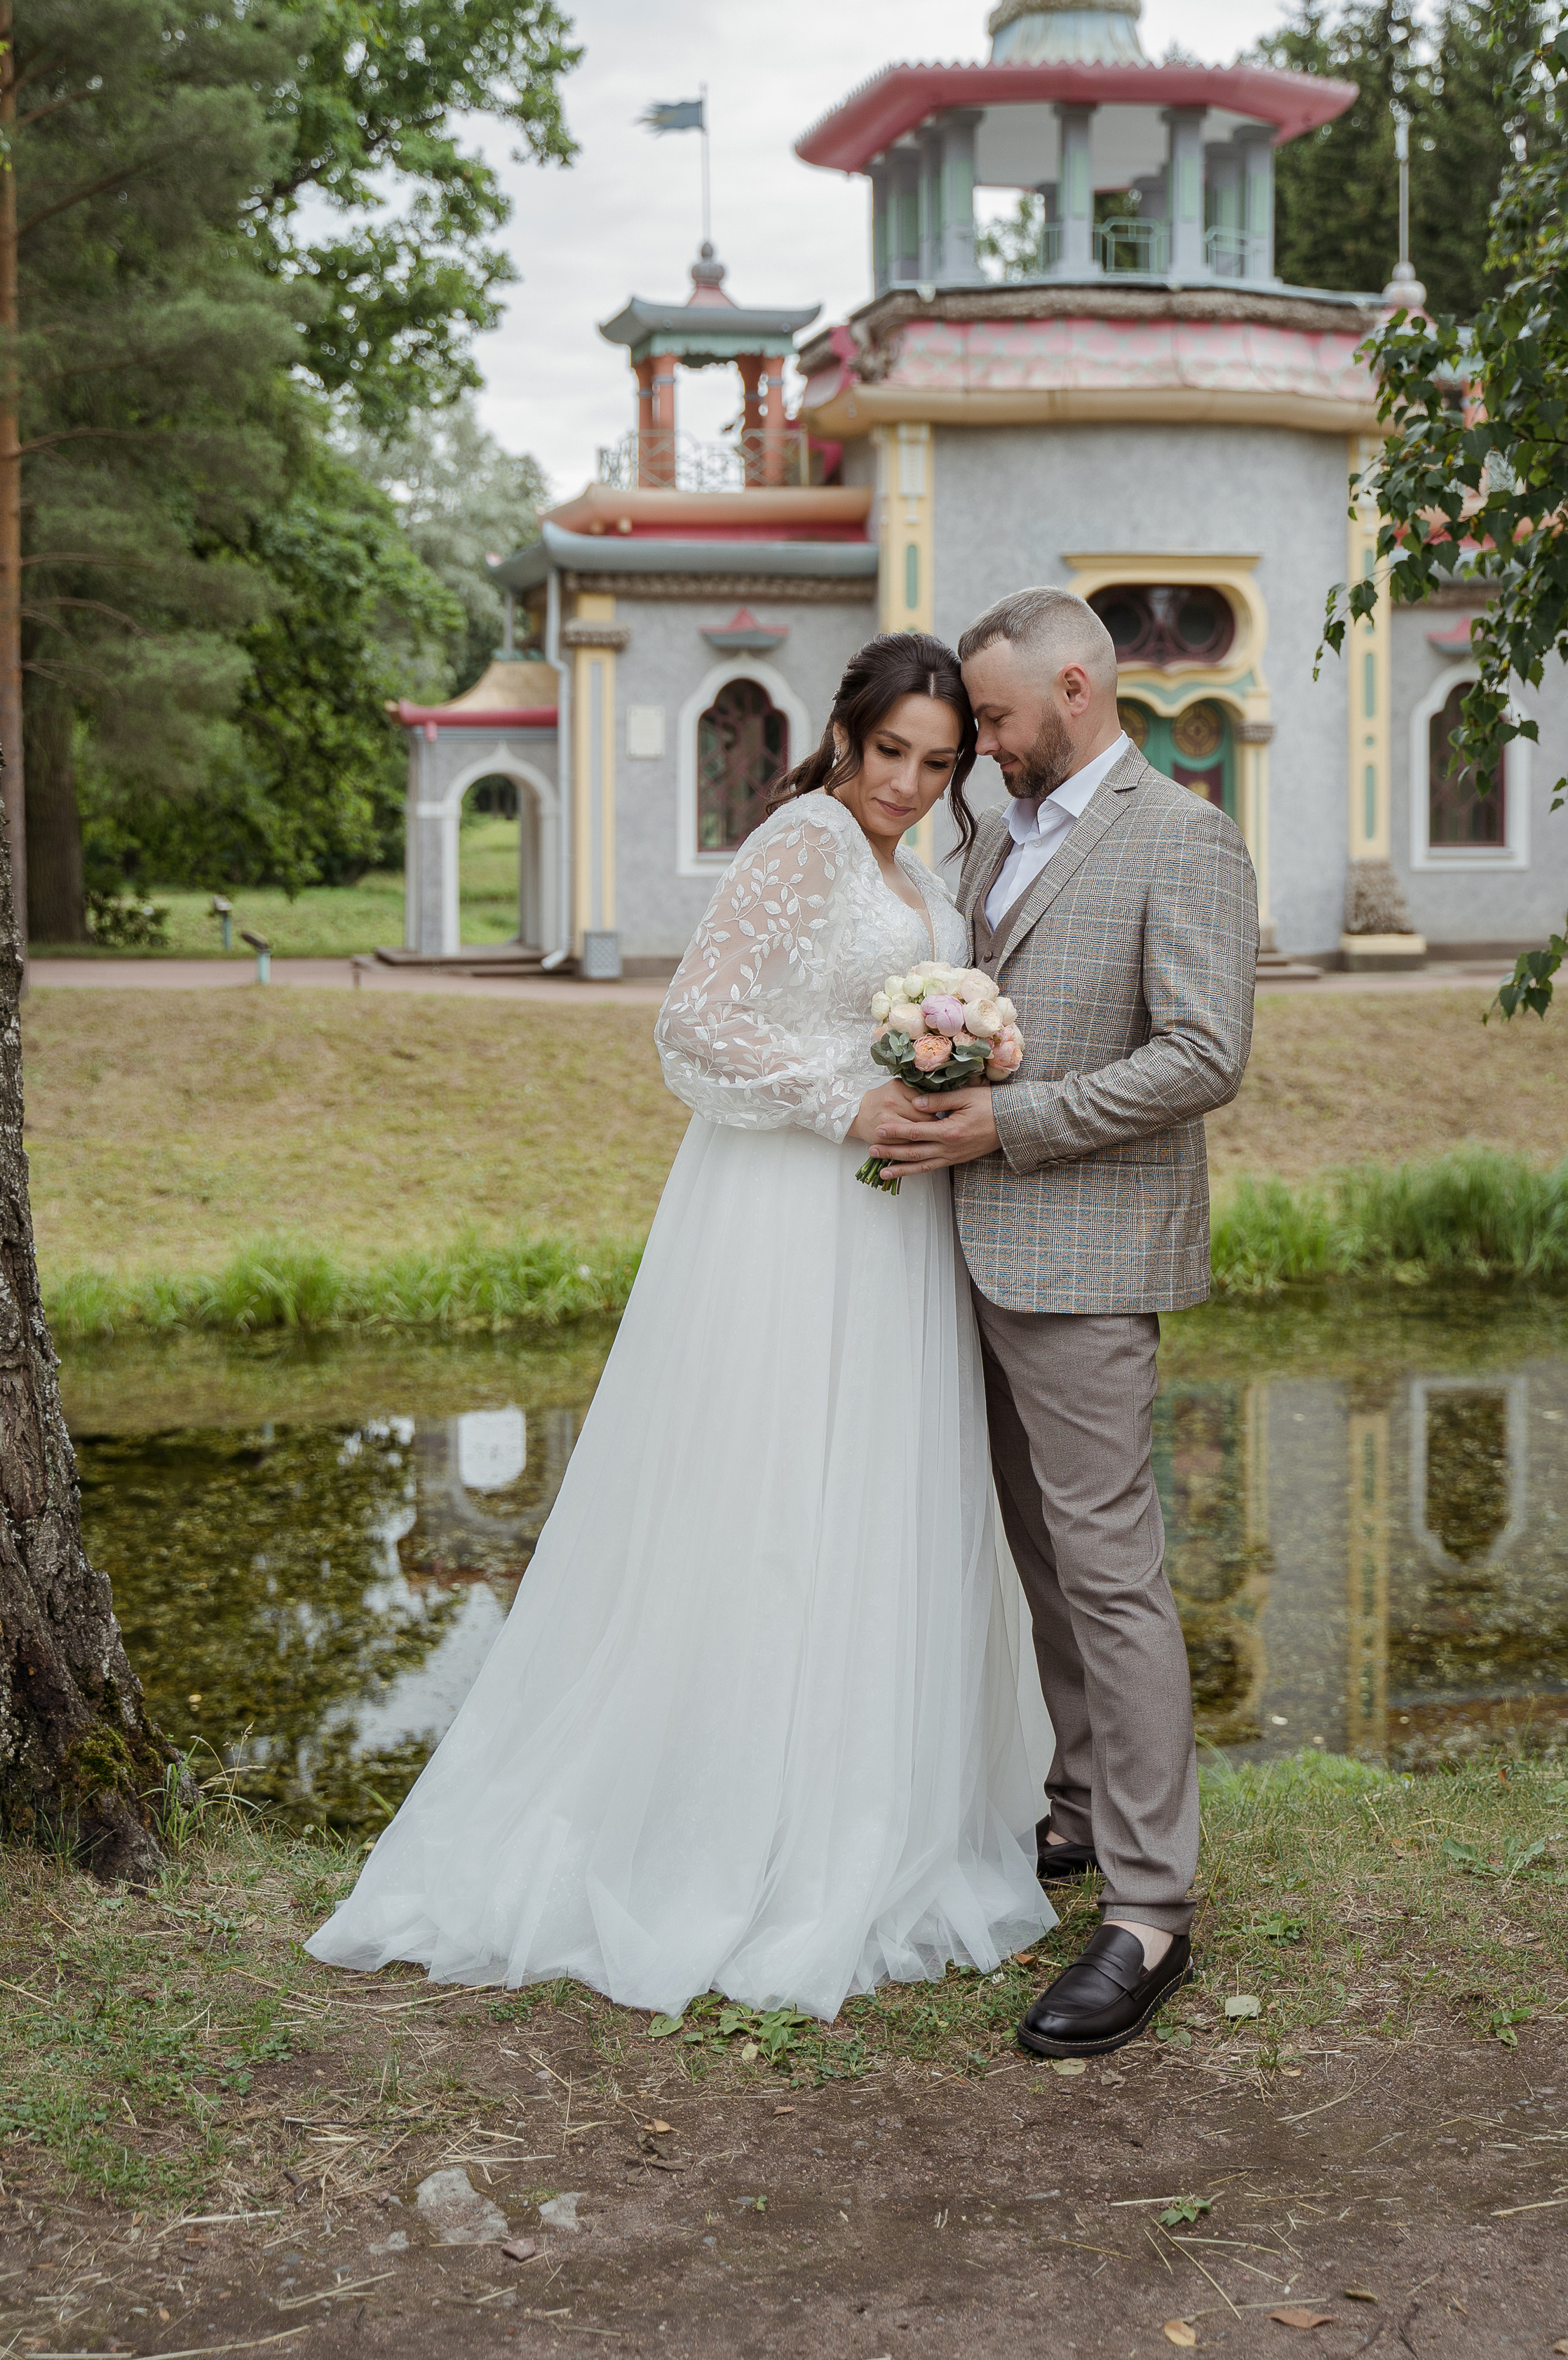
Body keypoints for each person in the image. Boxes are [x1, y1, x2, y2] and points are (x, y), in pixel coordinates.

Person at [306, 631, 1052, 2019]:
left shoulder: (919, 871)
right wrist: (849, 1099)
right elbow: (693, 1027)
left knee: (875, 1503)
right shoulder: (803, 846)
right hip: (788, 1215)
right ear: (845, 733)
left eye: (936, 763)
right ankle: (730, 1824)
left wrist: (952, 1061)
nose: (906, 781)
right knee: (765, 1500)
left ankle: (872, 1806)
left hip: (896, 1231)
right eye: (889, 750)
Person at [867, 587, 1258, 2058]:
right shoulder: (991, 829)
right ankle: (1079, 1810)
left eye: (994, 716)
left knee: (1109, 1573)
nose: (976, 743)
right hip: (962, 1253)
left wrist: (1005, 1122)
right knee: (1032, 1556)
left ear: (1078, 687)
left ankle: (1150, 1912)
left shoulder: (1184, 838)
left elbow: (1203, 1055)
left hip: (1086, 1260)